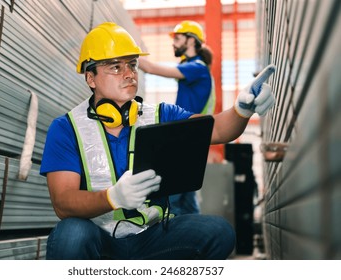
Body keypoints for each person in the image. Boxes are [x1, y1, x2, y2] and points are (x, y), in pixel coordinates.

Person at [40, 22, 275, 260]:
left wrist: (242, 109)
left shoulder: (160, 114)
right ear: (91, 78)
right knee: (70, 234)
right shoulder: (67, 127)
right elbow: (63, 202)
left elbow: (217, 130)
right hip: (100, 240)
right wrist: (112, 197)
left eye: (132, 64)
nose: (130, 74)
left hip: (150, 236)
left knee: (218, 231)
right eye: (115, 67)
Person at [138, 20, 215, 216]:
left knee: (168, 198)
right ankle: (198, 241)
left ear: (191, 41)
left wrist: (128, 56)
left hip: (185, 139)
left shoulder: (197, 67)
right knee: (186, 200)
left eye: (178, 38)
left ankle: (177, 240)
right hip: (189, 138)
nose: (173, 43)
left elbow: (152, 69)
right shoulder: (191, 66)